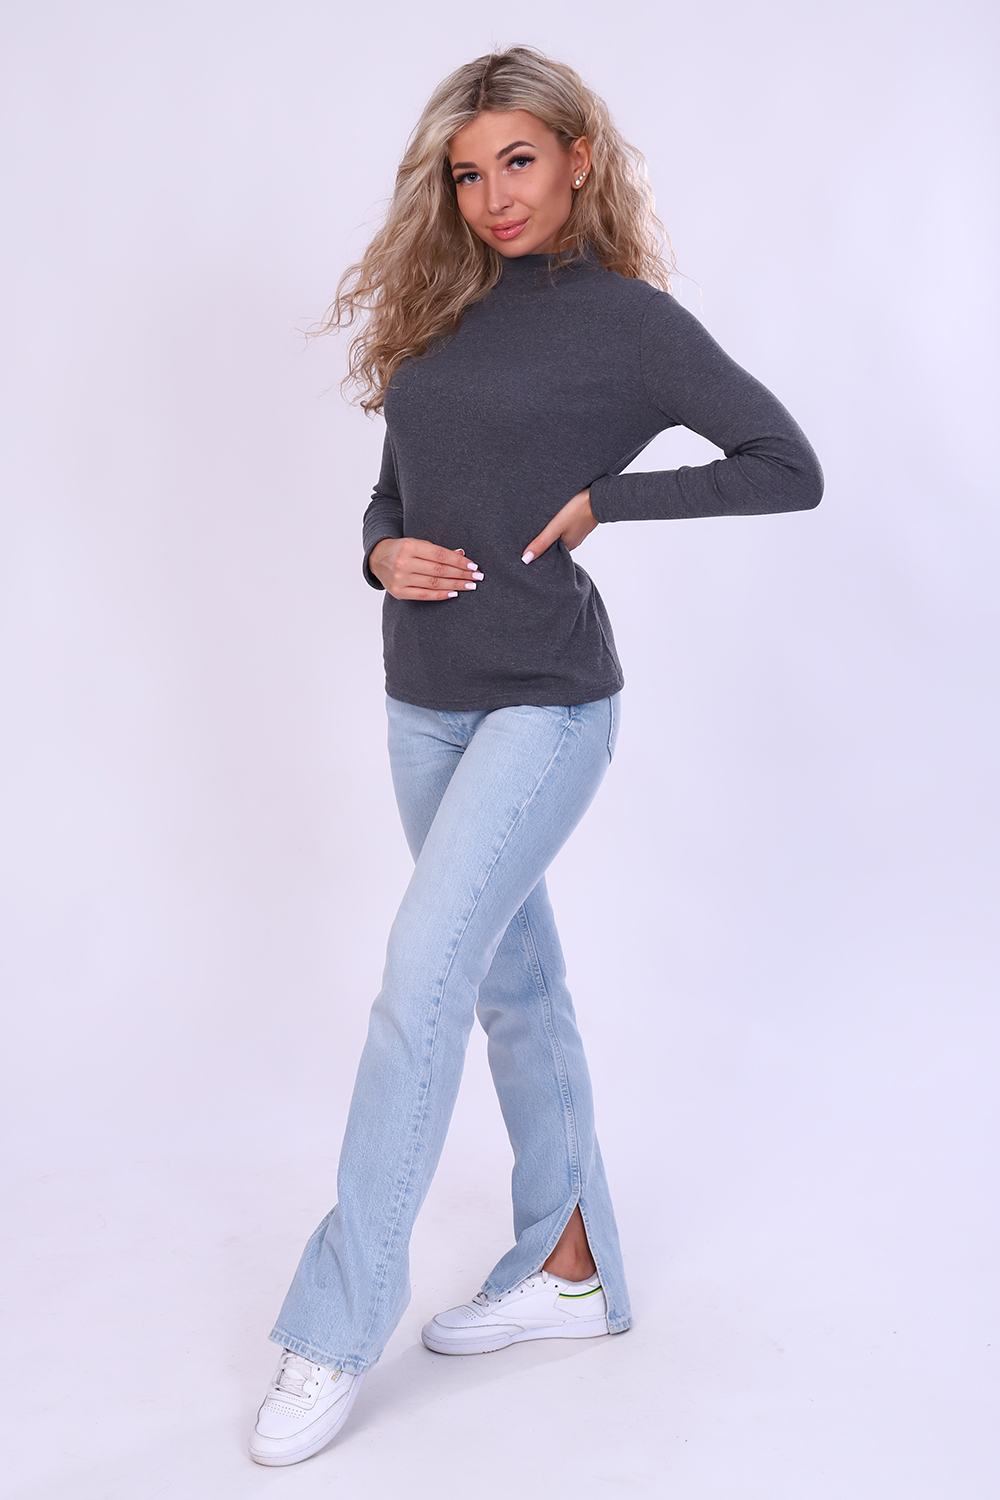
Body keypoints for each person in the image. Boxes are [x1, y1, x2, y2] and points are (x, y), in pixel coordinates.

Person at [248, 44, 823, 1467]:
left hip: (549, 705)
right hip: (423, 700)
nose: (494, 196)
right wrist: (379, 552)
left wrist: (609, 499)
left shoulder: (632, 326)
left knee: (419, 985)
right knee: (515, 987)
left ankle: (331, 1330)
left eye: (518, 161)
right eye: (468, 173)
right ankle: (568, 1269)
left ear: (578, 158)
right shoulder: (437, 307)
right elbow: (392, 493)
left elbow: (787, 465)